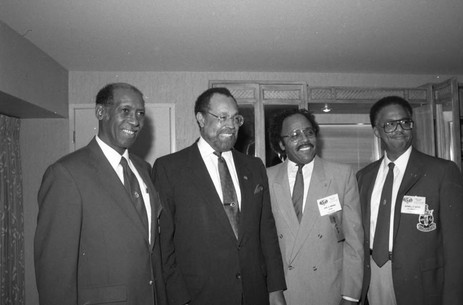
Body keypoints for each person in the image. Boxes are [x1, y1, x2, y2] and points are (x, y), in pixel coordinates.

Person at [34, 83, 166, 305]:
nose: (135, 121)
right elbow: (54, 271)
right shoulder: (66, 174)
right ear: (100, 112)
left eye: (140, 113)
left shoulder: (144, 169)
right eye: (125, 110)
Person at [152, 87, 287, 305]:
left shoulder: (254, 167)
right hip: (199, 296)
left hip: (254, 293)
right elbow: (164, 244)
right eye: (222, 117)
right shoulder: (169, 169)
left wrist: (275, 288)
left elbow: (266, 231)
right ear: (201, 119)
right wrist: (178, 298)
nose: (231, 125)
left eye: (236, 118)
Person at [357, 96, 463, 305]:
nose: (399, 129)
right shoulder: (364, 176)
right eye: (390, 124)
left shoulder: (442, 171)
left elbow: (460, 250)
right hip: (373, 275)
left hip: (422, 282)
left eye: (405, 122)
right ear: (376, 131)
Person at [267, 108, 364, 305]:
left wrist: (350, 296)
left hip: (328, 290)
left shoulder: (341, 176)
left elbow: (354, 242)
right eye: (294, 135)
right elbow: (263, 244)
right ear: (281, 144)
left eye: (309, 132)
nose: (305, 139)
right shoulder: (266, 178)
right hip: (284, 292)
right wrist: (271, 290)